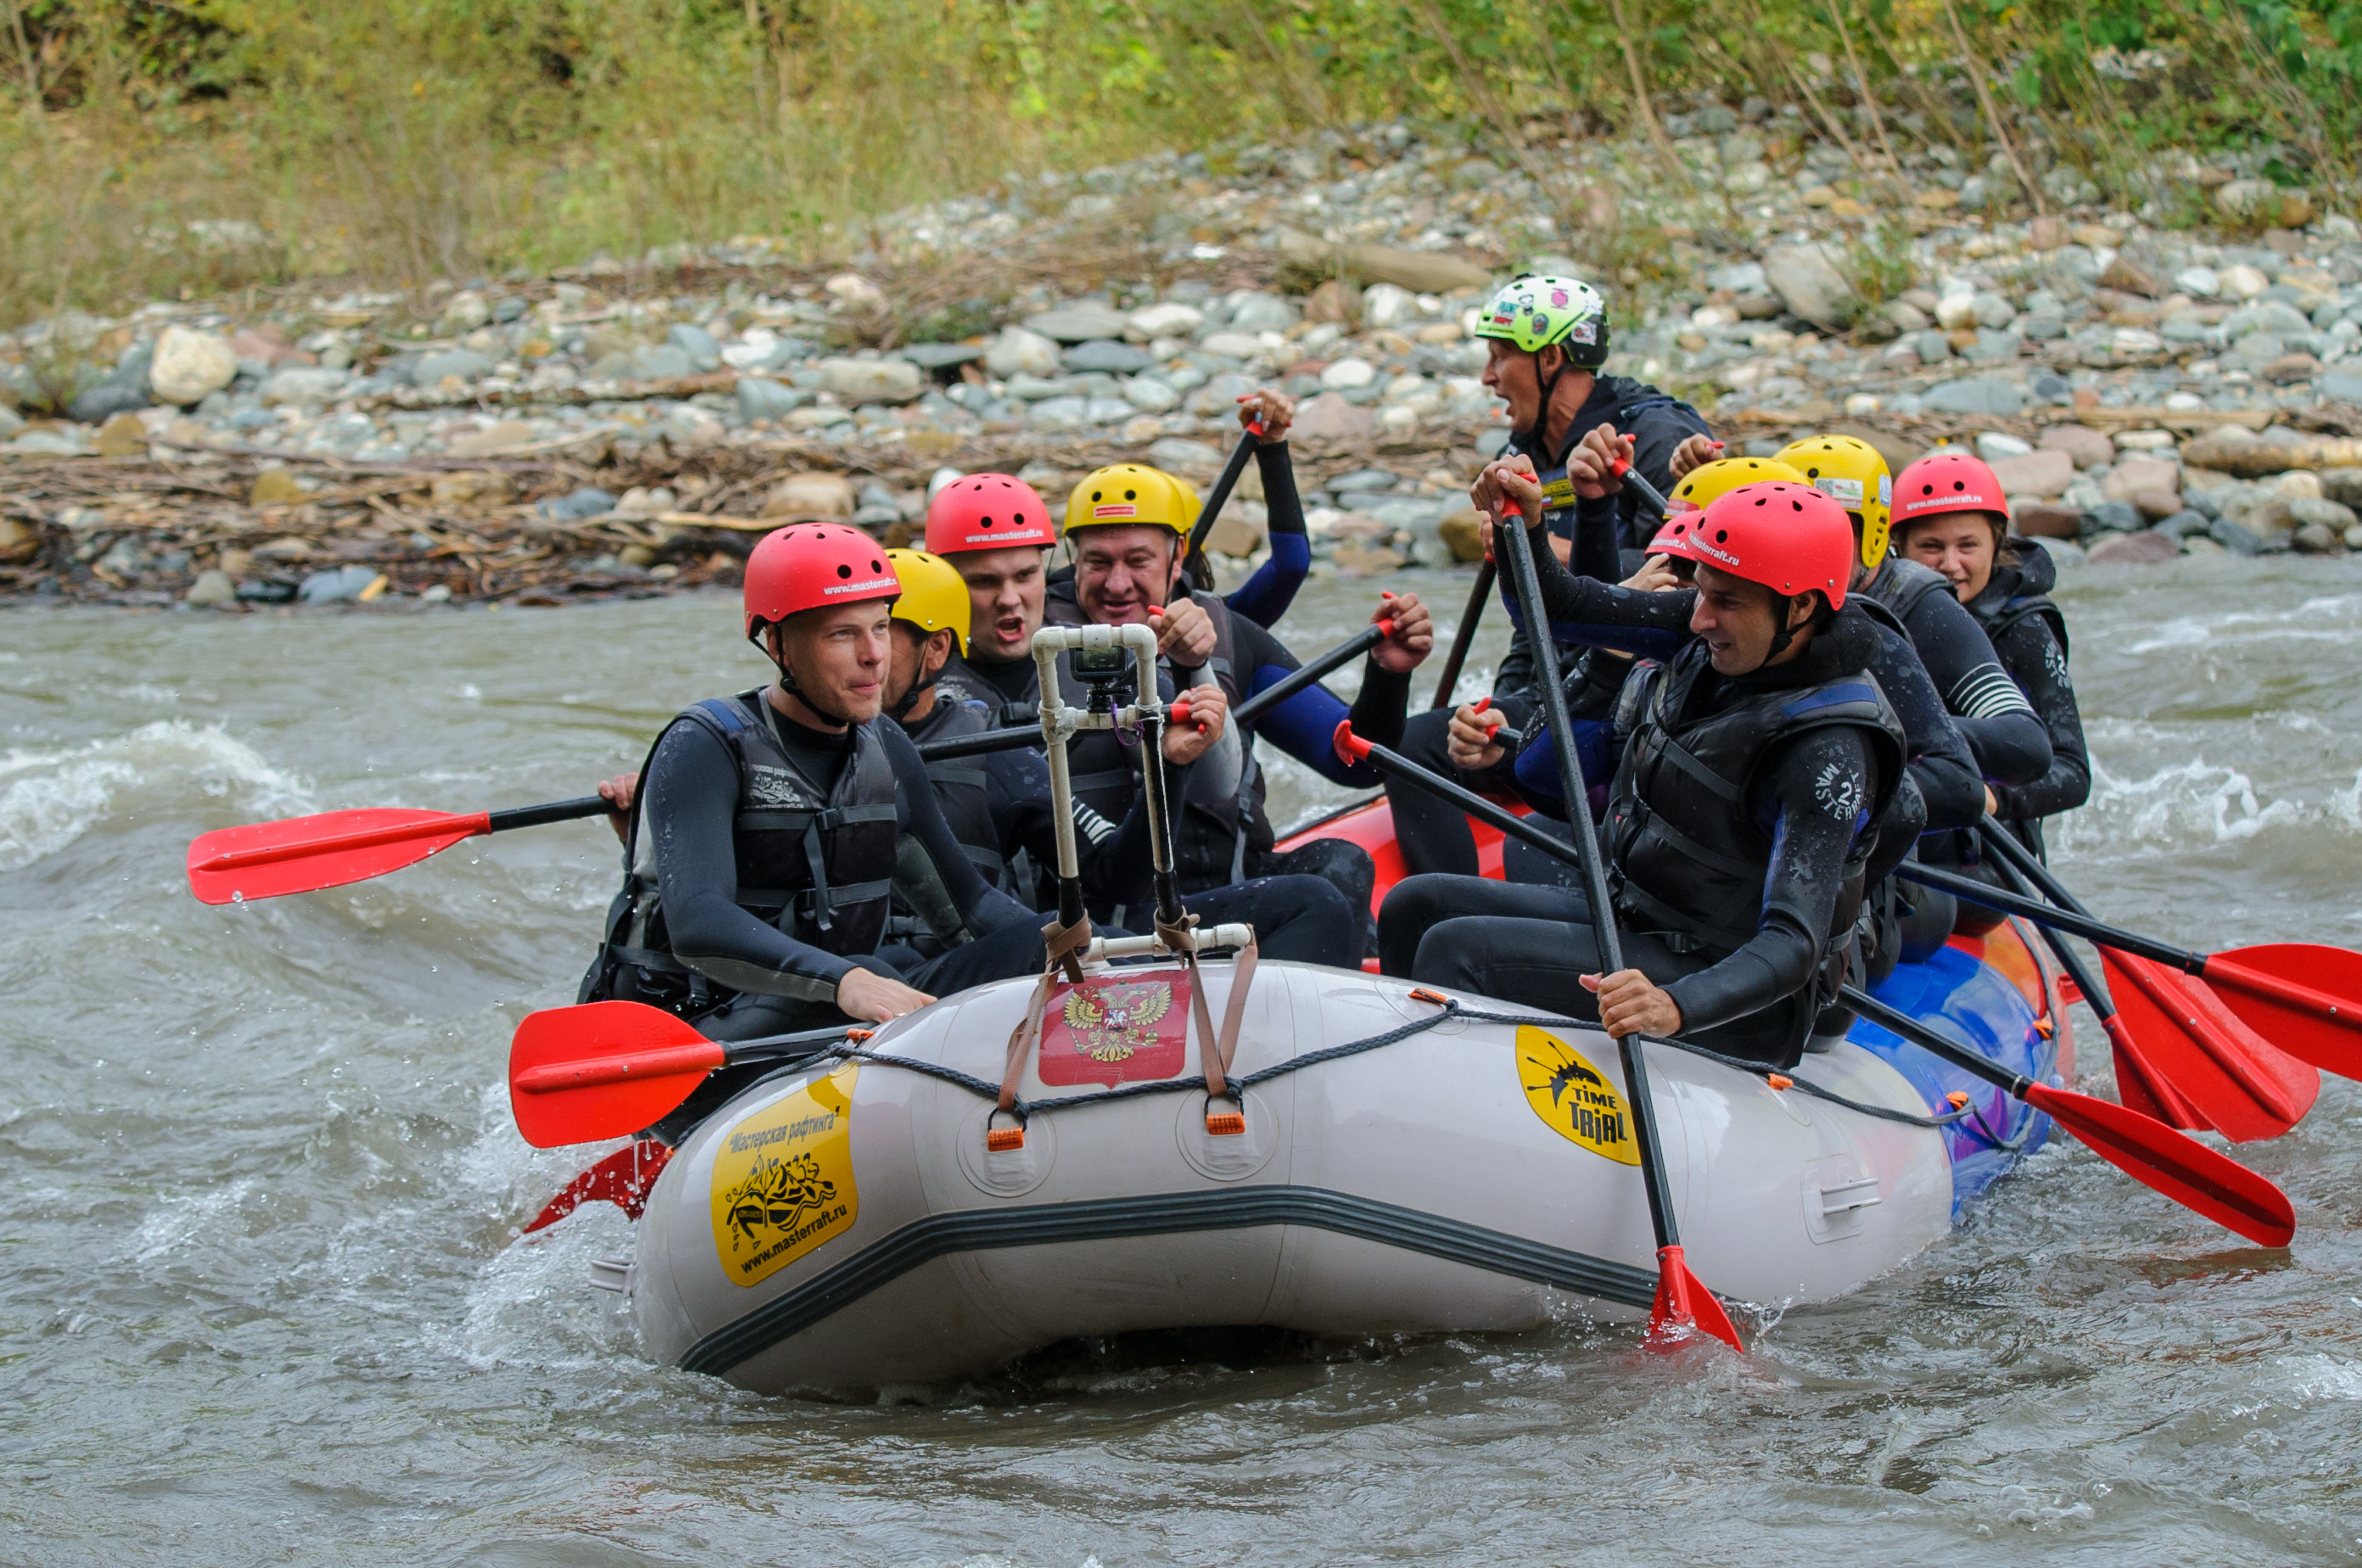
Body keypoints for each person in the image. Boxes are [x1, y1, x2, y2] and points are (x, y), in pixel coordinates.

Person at [1385, 472, 1908, 1069]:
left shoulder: (1829, 748)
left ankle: (1445, 1121)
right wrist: (1525, 528)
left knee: (1458, 951)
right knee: (1414, 906)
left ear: (1803, 606)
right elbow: (1559, 606)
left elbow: (1794, 944)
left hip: (1733, 992)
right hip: (1642, 917)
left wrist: (1673, 1007)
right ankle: (1399, 1078)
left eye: (1727, 602)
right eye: (1703, 591)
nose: (1699, 617)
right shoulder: (1711, 629)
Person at [579, 526, 1056, 1114]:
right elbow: (699, 925)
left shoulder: (886, 746)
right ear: (778, 646)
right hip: (702, 1034)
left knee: (1021, 945)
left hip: (834, 1012)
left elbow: (972, 908)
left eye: (882, 627)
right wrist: (844, 981)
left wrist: (1081, 946)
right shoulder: (704, 745)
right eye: (843, 634)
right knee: (879, 967)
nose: (874, 655)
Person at [1385, 274, 1712, 878]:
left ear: (1552, 358)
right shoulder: (1529, 451)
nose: (1488, 376)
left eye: (1500, 354)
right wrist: (1504, 702)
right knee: (1412, 748)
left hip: (1638, 692)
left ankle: (1465, 903)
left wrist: (1544, 549)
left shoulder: (1659, 434)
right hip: (1561, 681)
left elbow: (1705, 577)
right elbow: (1526, 626)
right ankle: (1447, 896)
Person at [1050, 458, 1434, 952]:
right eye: (1098, 562)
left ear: (1177, 556)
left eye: (1138, 561)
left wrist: (1388, 673)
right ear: (1072, 560)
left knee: (1342, 863)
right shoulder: (1039, 649)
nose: (1117, 583)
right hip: (1116, 910)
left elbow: (1356, 766)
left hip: (1234, 886)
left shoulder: (1230, 634)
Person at [1893, 451, 2090, 860]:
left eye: (1968, 546)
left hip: (1990, 847)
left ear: (1996, 543)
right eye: (1930, 547)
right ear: (1897, 547)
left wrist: (1993, 798)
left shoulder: (2025, 628)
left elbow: (2072, 772)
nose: (1950, 565)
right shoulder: (1880, 614)